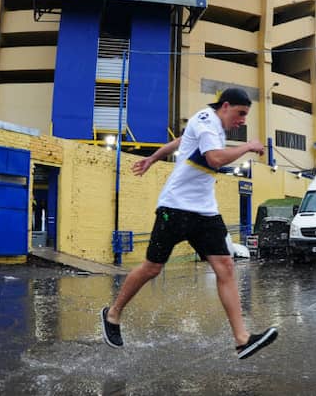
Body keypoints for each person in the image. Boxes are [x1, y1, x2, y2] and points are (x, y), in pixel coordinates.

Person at [100, 88, 278, 360]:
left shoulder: (213, 128)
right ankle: (112, 314)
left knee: (226, 265)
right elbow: (215, 159)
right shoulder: (207, 120)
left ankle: (242, 339)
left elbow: (182, 141)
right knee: (152, 268)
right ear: (226, 106)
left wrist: (153, 157)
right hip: (175, 207)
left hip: (205, 211)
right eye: (240, 114)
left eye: (245, 116)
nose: (242, 120)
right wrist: (248, 147)